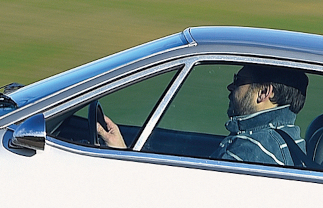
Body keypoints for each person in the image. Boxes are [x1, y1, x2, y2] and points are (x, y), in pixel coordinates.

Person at [96, 64, 310, 167]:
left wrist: (123, 157)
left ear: (264, 93)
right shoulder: (290, 139)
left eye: (238, 80)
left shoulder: (251, 149)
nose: (230, 87)